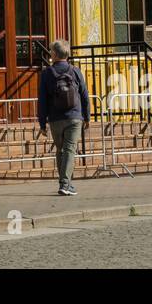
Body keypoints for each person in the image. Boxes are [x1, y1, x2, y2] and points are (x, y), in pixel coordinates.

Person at [38, 40, 90, 195]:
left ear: (54, 54)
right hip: (74, 117)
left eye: (51, 52)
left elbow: (42, 100)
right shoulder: (75, 71)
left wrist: (42, 122)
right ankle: (65, 184)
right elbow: (84, 95)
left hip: (55, 118)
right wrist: (87, 116)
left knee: (61, 150)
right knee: (69, 149)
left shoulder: (47, 73)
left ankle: (64, 183)